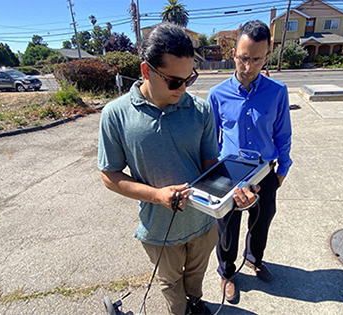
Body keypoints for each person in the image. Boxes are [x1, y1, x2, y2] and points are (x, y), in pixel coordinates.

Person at [97, 22, 257, 315]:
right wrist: (157, 195)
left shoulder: (200, 110)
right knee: (170, 283)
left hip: (204, 224)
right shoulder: (116, 115)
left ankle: (195, 303)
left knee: (195, 277)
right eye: (174, 81)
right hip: (159, 229)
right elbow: (110, 176)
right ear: (146, 71)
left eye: (189, 79)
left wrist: (237, 189)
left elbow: (212, 166)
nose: (182, 89)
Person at [207, 20, 292, 302]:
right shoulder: (217, 94)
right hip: (229, 172)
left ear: (267, 56)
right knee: (227, 229)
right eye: (243, 58)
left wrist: (282, 171)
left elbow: (283, 134)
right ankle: (227, 272)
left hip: (265, 171)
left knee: (262, 221)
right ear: (234, 54)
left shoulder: (277, 91)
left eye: (256, 59)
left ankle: (255, 258)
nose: (248, 66)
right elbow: (210, 139)